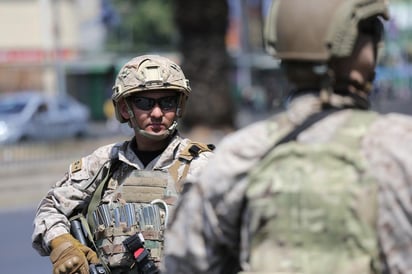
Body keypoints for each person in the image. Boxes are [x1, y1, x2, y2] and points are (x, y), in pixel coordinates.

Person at [162, 0, 412, 273]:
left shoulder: (239, 153)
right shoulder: (399, 145)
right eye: (372, 33)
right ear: (350, 44)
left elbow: (183, 261)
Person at [32, 54, 215, 274]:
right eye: (144, 103)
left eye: (167, 102)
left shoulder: (202, 166)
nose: (157, 113)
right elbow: (51, 206)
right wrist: (63, 245)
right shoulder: (104, 163)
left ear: (179, 106)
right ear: (125, 108)